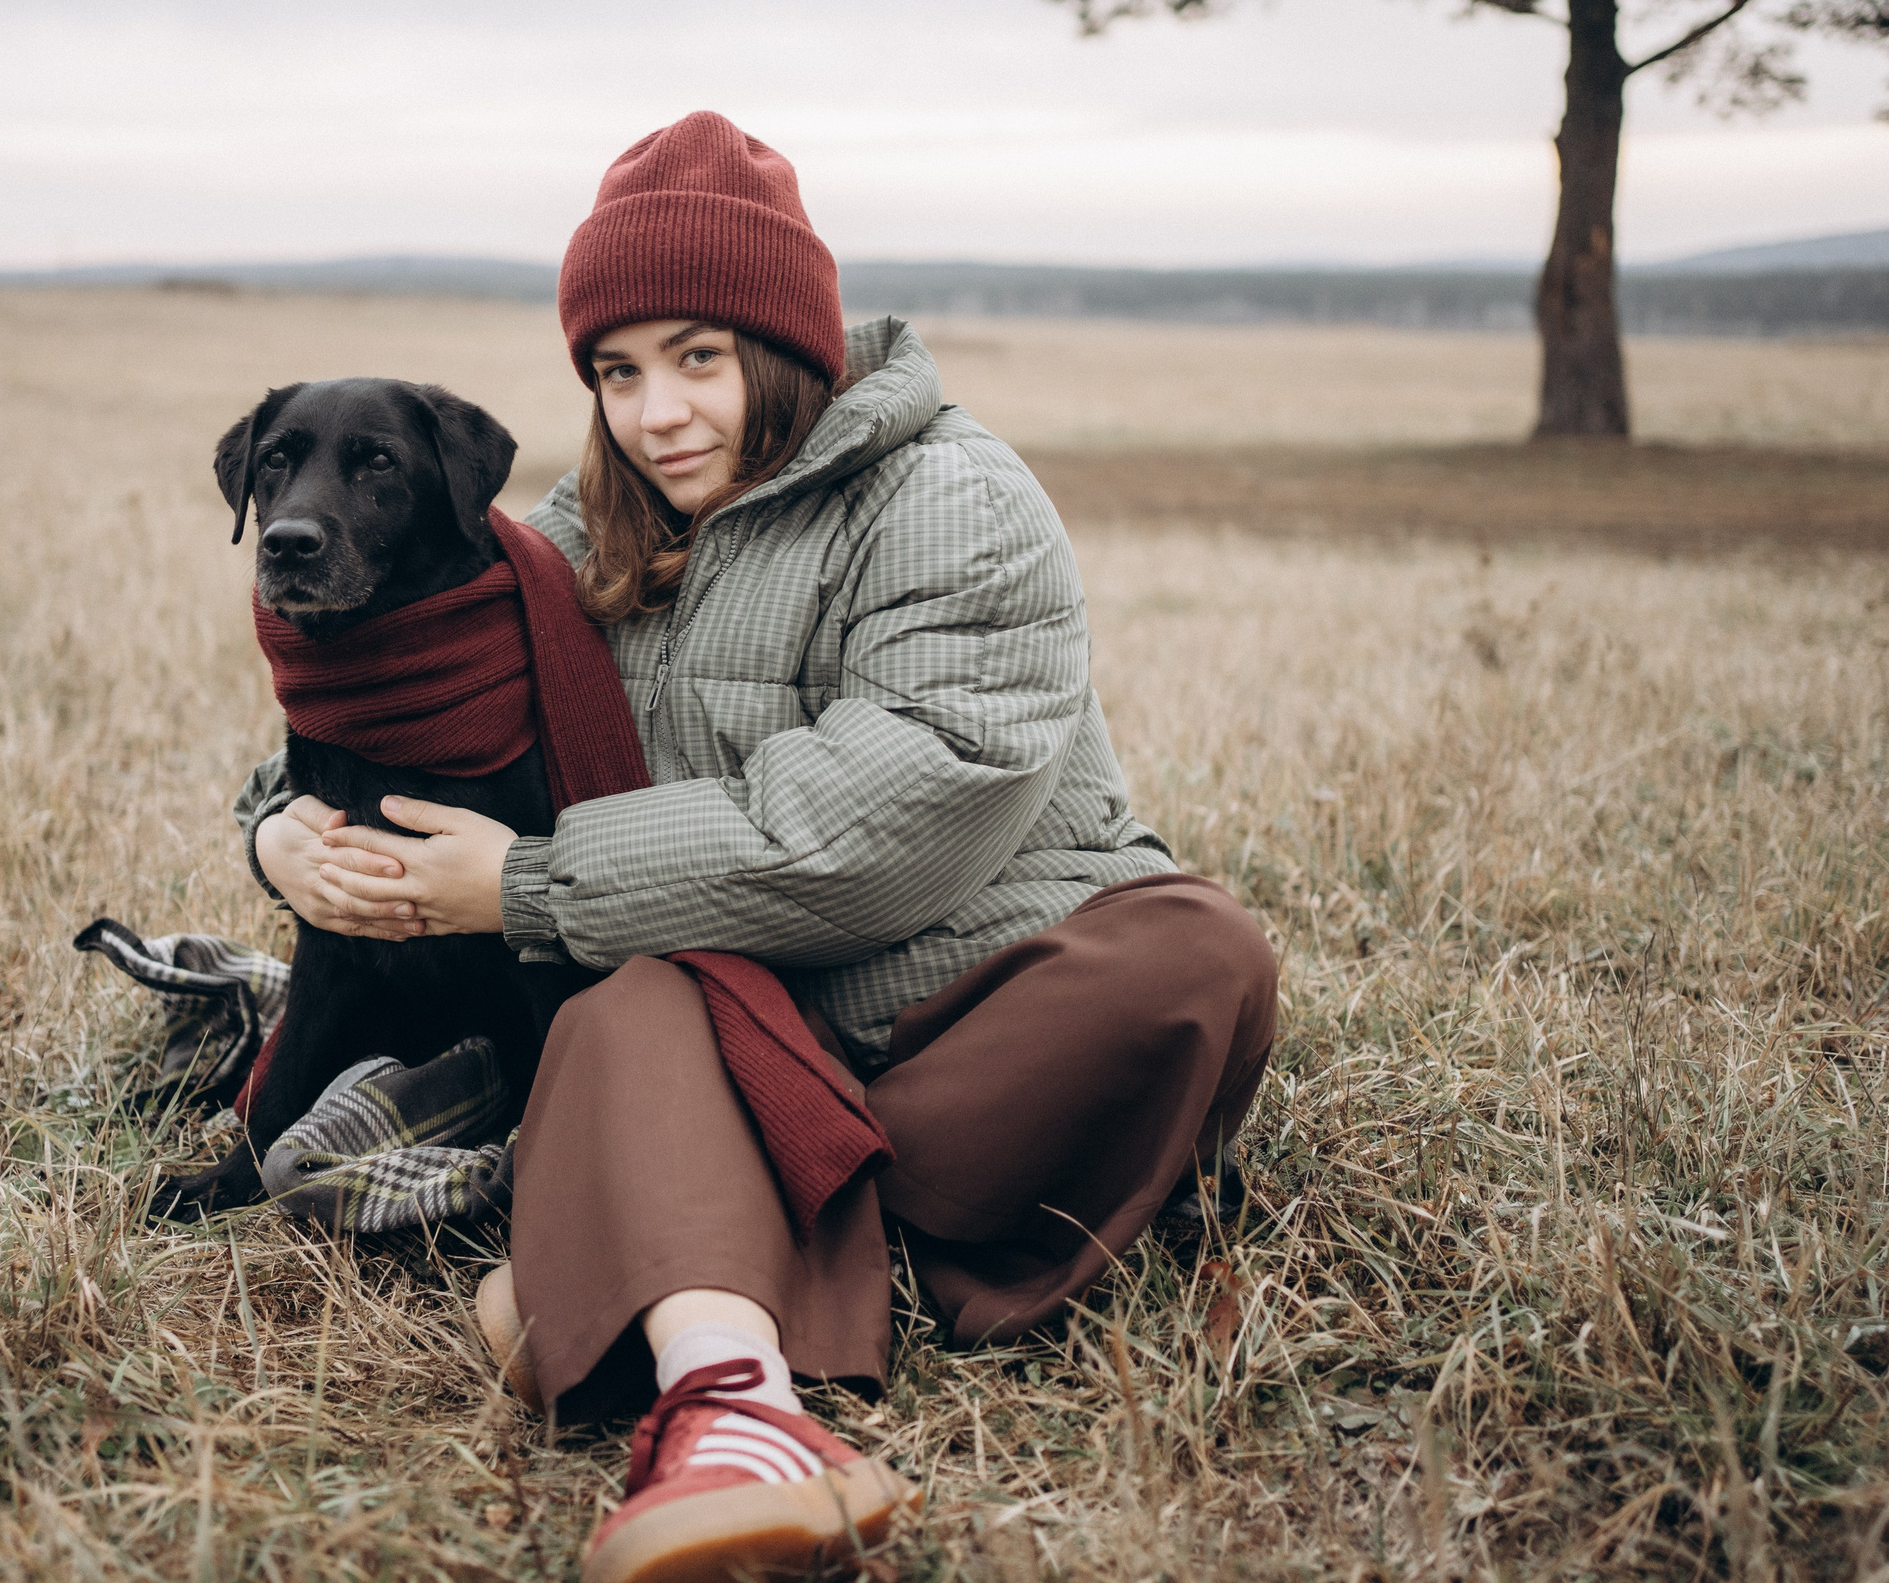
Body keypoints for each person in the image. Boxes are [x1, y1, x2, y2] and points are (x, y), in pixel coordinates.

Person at [235, 111, 1278, 1583]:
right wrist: (278, 837)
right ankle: (733, 1407)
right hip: (736, 1020)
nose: (656, 413)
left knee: (1198, 950)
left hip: (963, 1015)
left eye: (698, 358)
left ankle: (629, 1248)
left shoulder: (954, 500)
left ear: (788, 345)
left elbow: (865, 835)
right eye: (617, 372)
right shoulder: (581, 536)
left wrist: (527, 885)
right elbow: (390, 712)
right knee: (633, 1003)